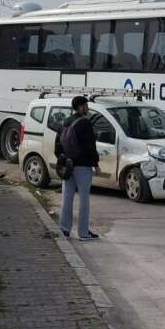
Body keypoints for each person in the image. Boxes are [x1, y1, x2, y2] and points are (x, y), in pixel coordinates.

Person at [54, 95, 100, 241]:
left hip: (68, 165)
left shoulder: (66, 122)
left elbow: (57, 146)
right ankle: (83, 233)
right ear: (80, 107)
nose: (87, 107)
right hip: (83, 166)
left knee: (67, 197)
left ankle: (64, 229)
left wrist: (63, 160)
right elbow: (90, 146)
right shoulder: (85, 123)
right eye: (85, 105)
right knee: (84, 200)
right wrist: (95, 164)